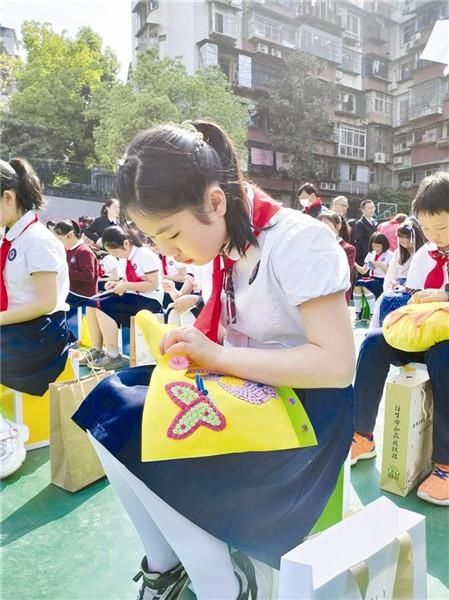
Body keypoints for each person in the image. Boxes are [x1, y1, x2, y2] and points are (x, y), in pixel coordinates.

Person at [72, 121, 354, 599]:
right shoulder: (226, 247)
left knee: (139, 426)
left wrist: (217, 356)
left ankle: (220, 585)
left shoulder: (298, 241)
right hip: (246, 390)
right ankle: (165, 565)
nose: (165, 250)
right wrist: (196, 347)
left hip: (305, 412)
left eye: (170, 233)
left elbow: (337, 366)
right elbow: (228, 337)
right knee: (105, 404)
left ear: (216, 201)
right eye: (153, 238)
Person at [352, 171, 449, 506]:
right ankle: (362, 434)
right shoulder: (424, 255)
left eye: (444, 228)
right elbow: (414, 295)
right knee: (374, 344)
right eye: (429, 229)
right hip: (428, 333)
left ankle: (446, 465)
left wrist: (443, 295)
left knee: (444, 357)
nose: (436, 237)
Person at [0, 159, 74, 479]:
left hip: (41, 334)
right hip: (18, 327)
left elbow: (45, 303)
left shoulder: (38, 240)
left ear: (7, 197)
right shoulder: (11, 238)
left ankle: (8, 433)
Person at [86, 225, 164, 370]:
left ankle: (113, 356)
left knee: (102, 306)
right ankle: (97, 350)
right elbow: (126, 282)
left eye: (115, 251)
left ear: (126, 243)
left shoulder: (145, 255)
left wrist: (126, 285)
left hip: (150, 301)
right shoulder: (124, 259)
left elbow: (152, 285)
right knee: (91, 303)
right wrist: (115, 284)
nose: (115, 255)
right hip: (134, 297)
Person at [369, 219, 425, 328]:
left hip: (415, 288)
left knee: (398, 300)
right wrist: (392, 283)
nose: (403, 240)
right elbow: (391, 273)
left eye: (406, 237)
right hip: (397, 286)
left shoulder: (421, 253)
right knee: (385, 298)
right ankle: (383, 329)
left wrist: (405, 287)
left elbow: (421, 276)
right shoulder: (398, 253)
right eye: (400, 237)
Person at [53, 219, 99, 299]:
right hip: (73, 298)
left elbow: (88, 276)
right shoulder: (69, 250)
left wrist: (64, 269)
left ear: (70, 235)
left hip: (84, 300)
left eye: (60, 239)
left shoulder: (84, 251)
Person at [317, 211, 355, 304]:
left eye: (326, 224)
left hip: (338, 295)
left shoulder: (348, 248)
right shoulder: (316, 247)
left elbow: (345, 273)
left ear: (338, 226)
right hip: (317, 294)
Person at [353, 232, 392, 322]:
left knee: (366, 286)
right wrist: (354, 264)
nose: (375, 249)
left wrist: (380, 265)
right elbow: (364, 271)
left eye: (378, 246)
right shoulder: (371, 254)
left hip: (383, 280)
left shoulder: (390, 255)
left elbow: (390, 274)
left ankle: (372, 314)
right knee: (357, 285)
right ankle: (358, 312)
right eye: (374, 246)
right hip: (372, 279)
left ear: (384, 245)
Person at [353, 198, 377, 265]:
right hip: (364, 257)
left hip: (374, 254)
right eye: (369, 208)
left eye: (373, 207)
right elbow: (359, 242)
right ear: (363, 210)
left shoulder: (375, 222)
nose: (372, 210)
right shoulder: (360, 224)